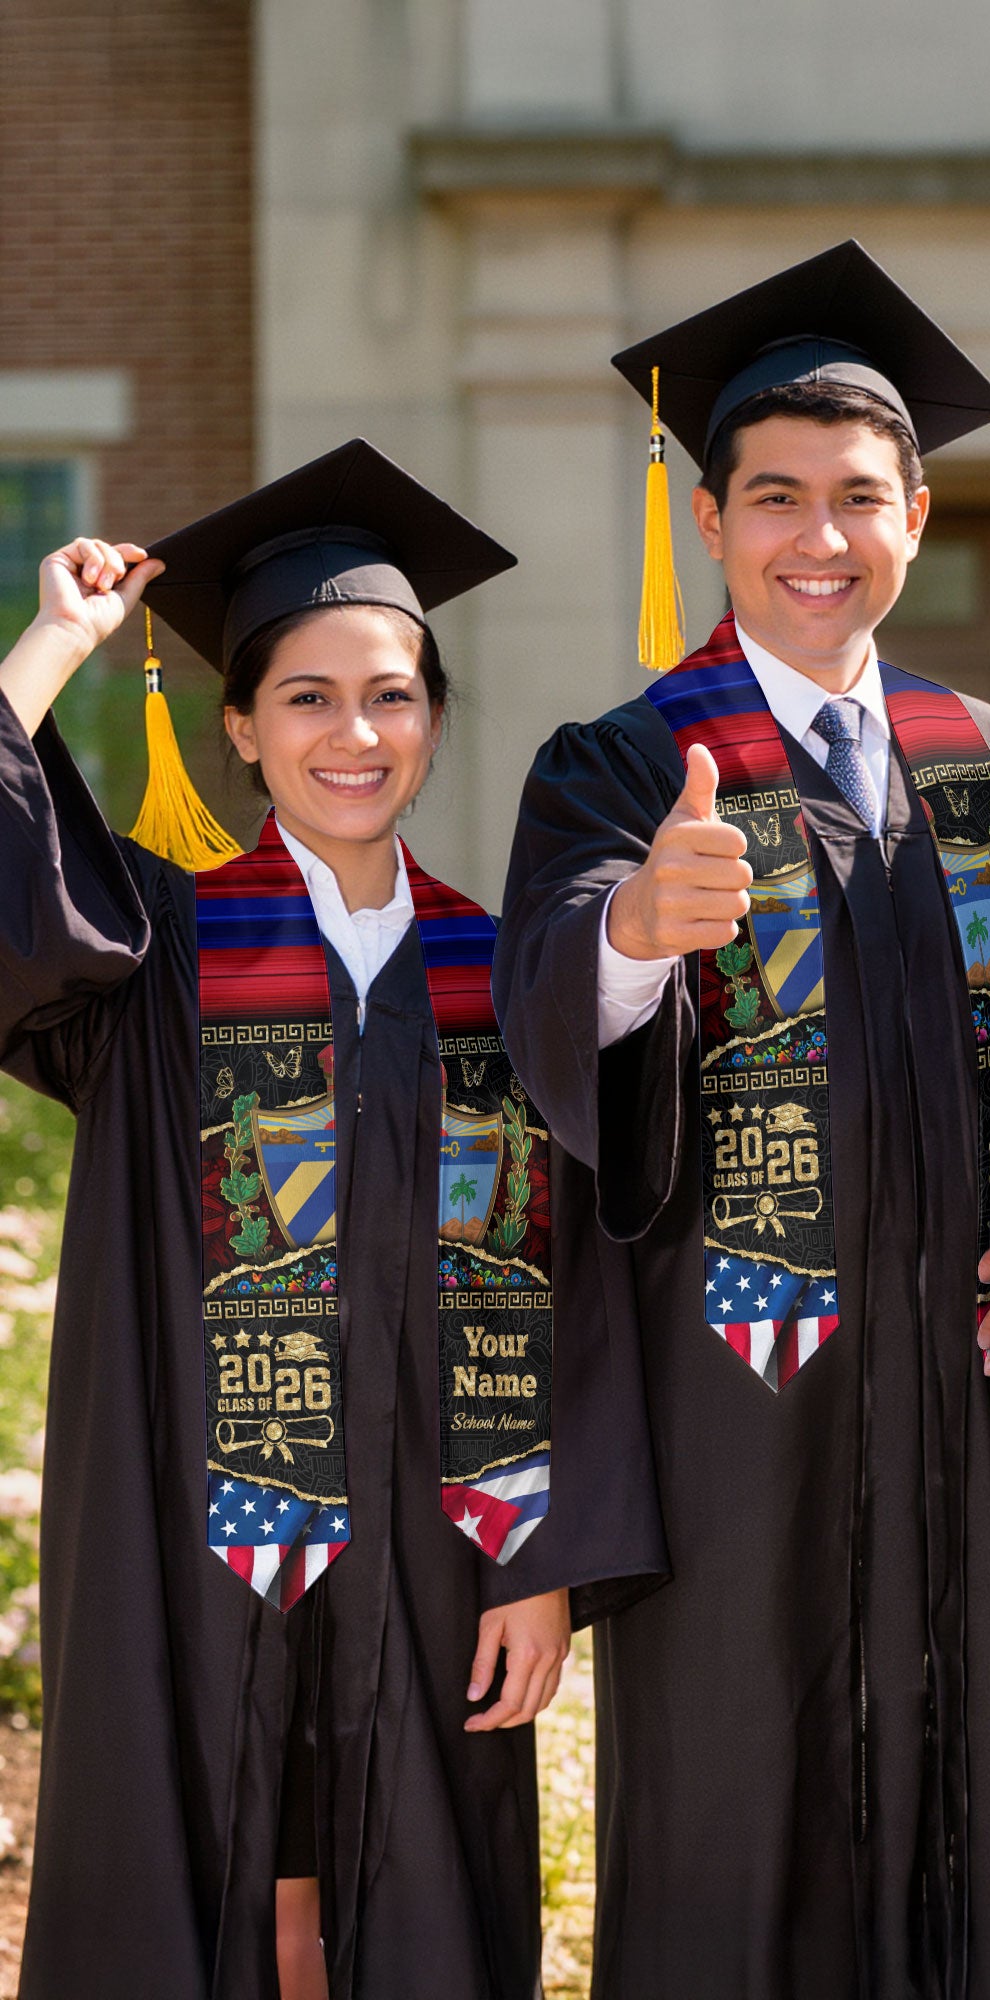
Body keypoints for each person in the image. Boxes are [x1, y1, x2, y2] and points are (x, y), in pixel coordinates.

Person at [495, 241, 990, 1999]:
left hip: (956, 1404)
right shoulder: (624, 764)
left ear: (917, 514)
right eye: (776, 498)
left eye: (860, 498)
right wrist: (632, 930)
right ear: (711, 520)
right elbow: (544, 999)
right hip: (734, 1415)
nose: (818, 538)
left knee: (975, 1818)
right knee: (736, 1834)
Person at [0, 440, 662, 2000]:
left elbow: (577, 1288)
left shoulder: (506, 973)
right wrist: (52, 647)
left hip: (443, 1548)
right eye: (305, 696)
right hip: (192, 1536)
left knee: (419, 1898)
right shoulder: (157, 950)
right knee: (206, 1873)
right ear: (239, 725)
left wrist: (543, 1560)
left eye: (391, 694)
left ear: (434, 719)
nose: (352, 733)